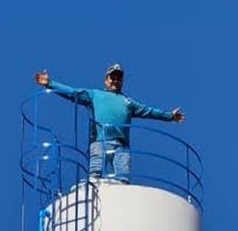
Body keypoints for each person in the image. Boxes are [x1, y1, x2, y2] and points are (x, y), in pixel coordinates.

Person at [33, 64, 184, 182]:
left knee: (123, 179)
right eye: (113, 77)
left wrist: (170, 116)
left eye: (118, 78)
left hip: (121, 145)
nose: (115, 81)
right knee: (95, 176)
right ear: (106, 80)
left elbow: (149, 111)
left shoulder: (128, 102)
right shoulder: (95, 95)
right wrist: (50, 83)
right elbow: (72, 93)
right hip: (100, 141)